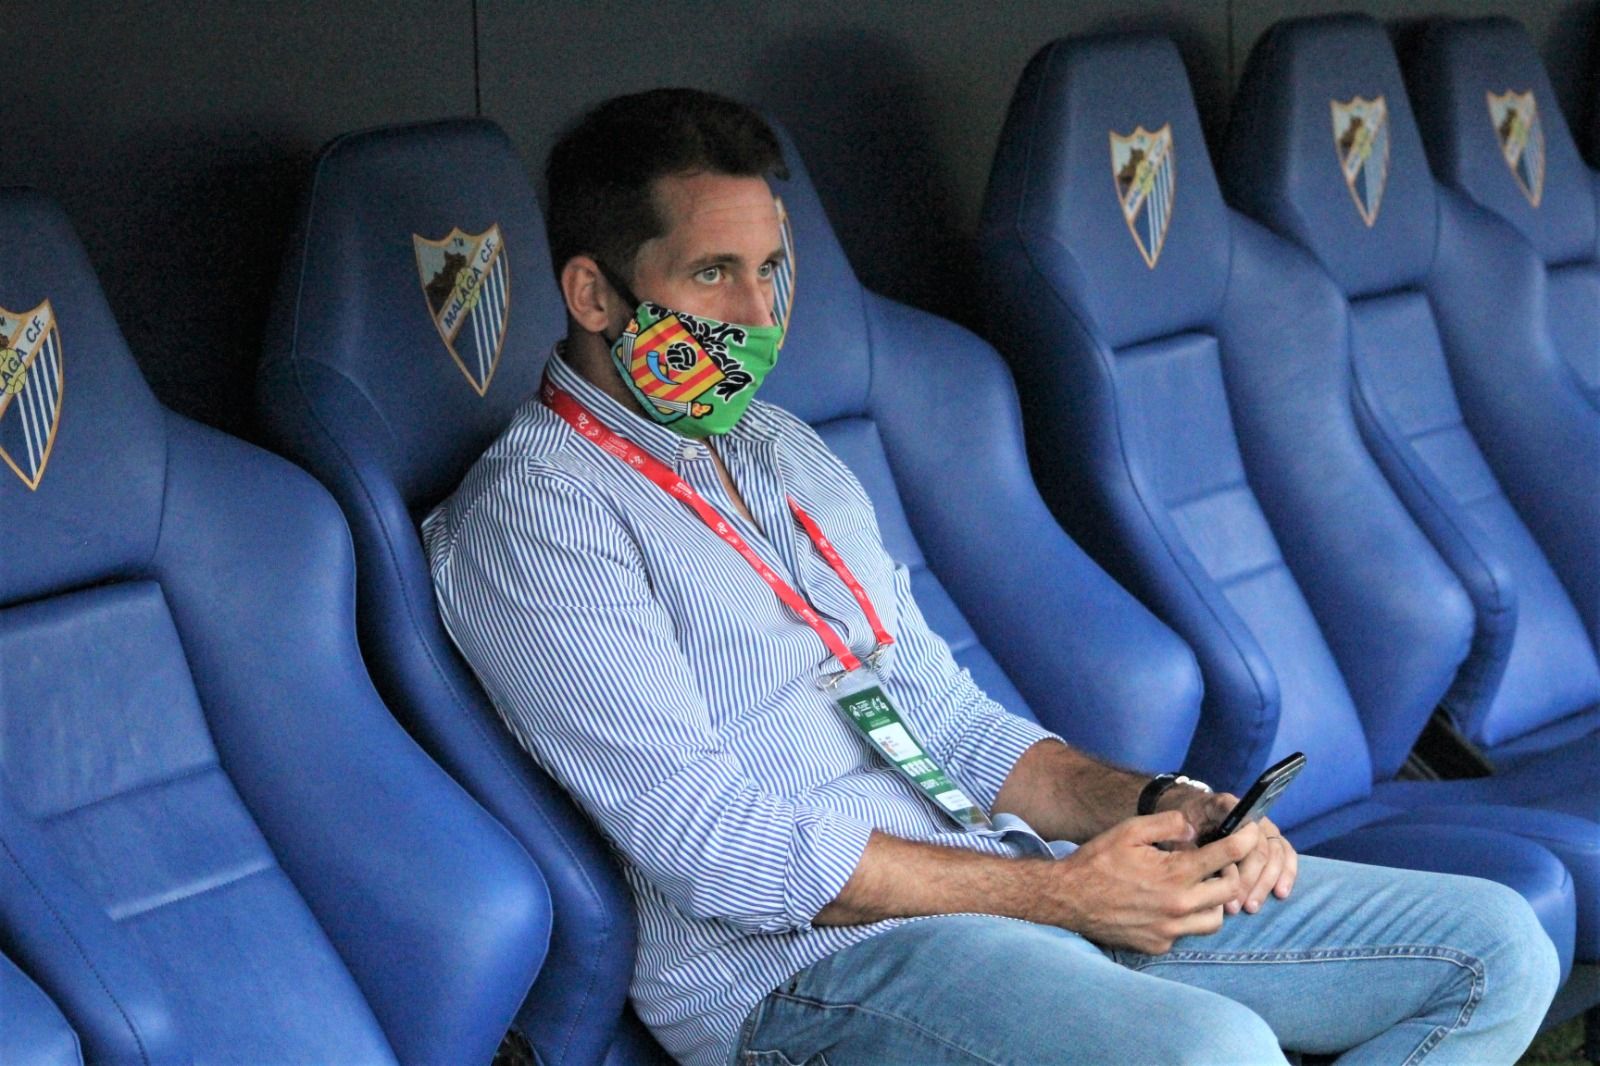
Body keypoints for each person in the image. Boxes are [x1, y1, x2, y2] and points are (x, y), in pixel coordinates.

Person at [423, 89, 1559, 1066]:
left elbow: (950, 720)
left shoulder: (783, 453)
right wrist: (1055, 896)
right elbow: (711, 841)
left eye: (773, 267)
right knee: (1208, 1052)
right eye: (713, 273)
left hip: (1006, 892)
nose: (762, 314)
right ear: (593, 294)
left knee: (1492, 949)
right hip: (806, 979)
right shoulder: (536, 515)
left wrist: (1158, 807)